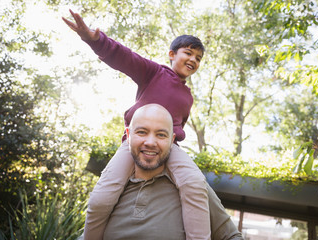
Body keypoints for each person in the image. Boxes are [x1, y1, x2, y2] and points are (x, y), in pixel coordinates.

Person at [62, 10, 210, 240]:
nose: (193, 60)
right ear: (172, 54)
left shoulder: (188, 97)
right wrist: (95, 40)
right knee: (101, 197)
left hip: (170, 149)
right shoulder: (155, 73)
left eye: (198, 58)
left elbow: (178, 128)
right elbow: (125, 57)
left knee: (195, 184)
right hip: (134, 147)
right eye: (188, 53)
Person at [103, 104, 244, 239]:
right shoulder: (111, 189)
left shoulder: (193, 188)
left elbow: (232, 236)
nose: (150, 142)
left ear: (172, 141)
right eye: (142, 132)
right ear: (128, 135)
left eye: (161, 135)